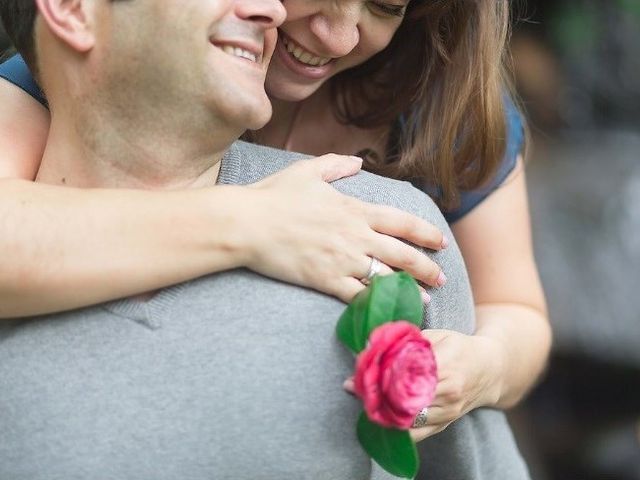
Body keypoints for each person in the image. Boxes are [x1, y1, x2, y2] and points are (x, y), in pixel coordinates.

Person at [0, 0, 531, 479]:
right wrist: (251, 222)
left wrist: (483, 367)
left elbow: (517, 307)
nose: (339, 36)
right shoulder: (87, 51)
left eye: (385, 6)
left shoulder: (434, 111)